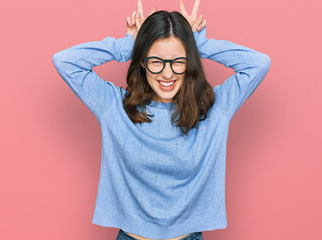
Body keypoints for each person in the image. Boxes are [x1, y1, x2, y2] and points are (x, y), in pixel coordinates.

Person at [52, 0, 271, 239]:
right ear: (143, 63)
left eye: (178, 62)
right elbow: (65, 61)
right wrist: (127, 45)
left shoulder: (215, 109)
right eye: (156, 62)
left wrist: (199, 44)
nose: (167, 74)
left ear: (190, 63)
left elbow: (258, 64)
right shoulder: (113, 105)